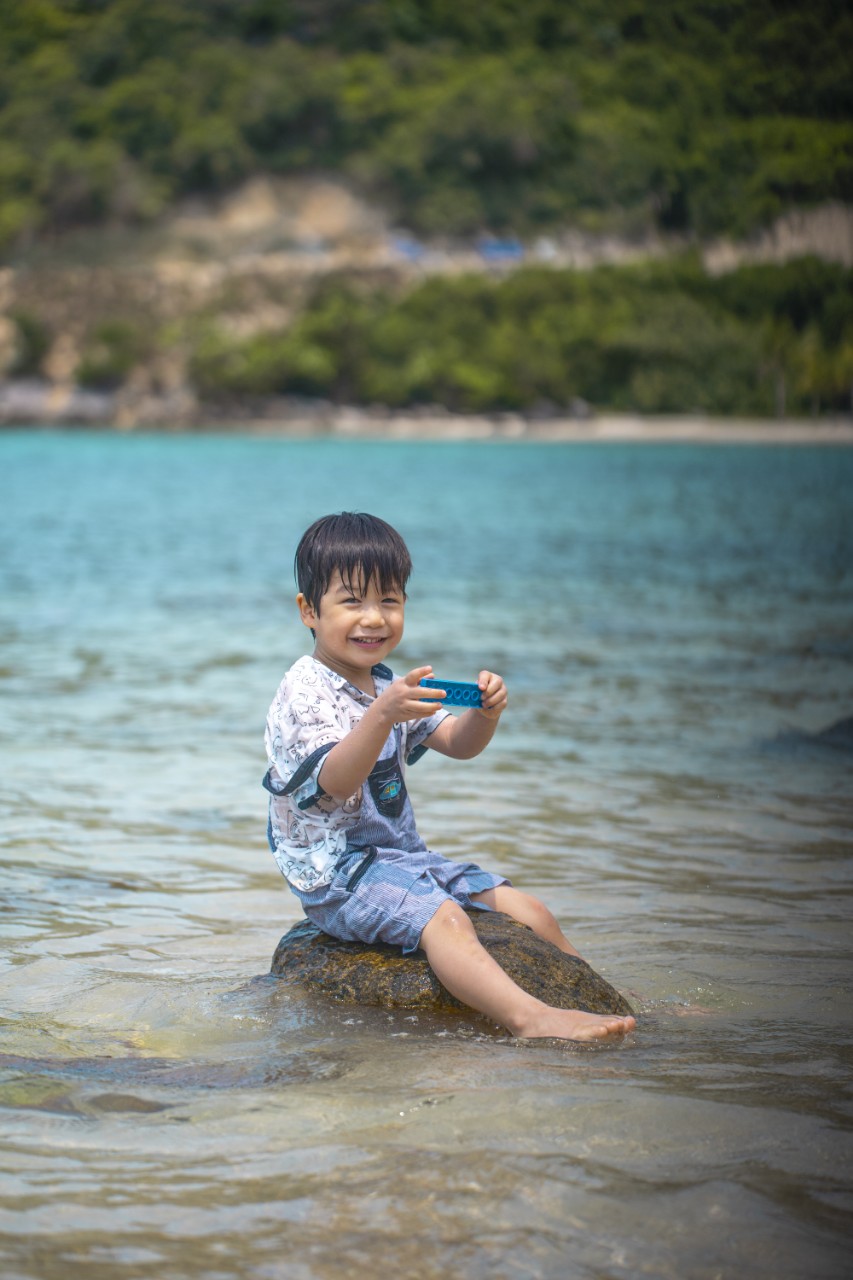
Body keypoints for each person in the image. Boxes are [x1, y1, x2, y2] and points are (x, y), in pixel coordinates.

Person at [264, 512, 636, 1043]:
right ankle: (531, 1019)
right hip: (336, 873)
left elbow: (457, 744)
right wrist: (382, 716)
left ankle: (606, 996)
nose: (373, 618)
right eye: (352, 601)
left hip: (400, 857)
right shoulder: (305, 693)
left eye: (388, 601)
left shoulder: (389, 684)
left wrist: (485, 715)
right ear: (308, 611)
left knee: (527, 909)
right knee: (445, 920)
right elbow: (335, 783)